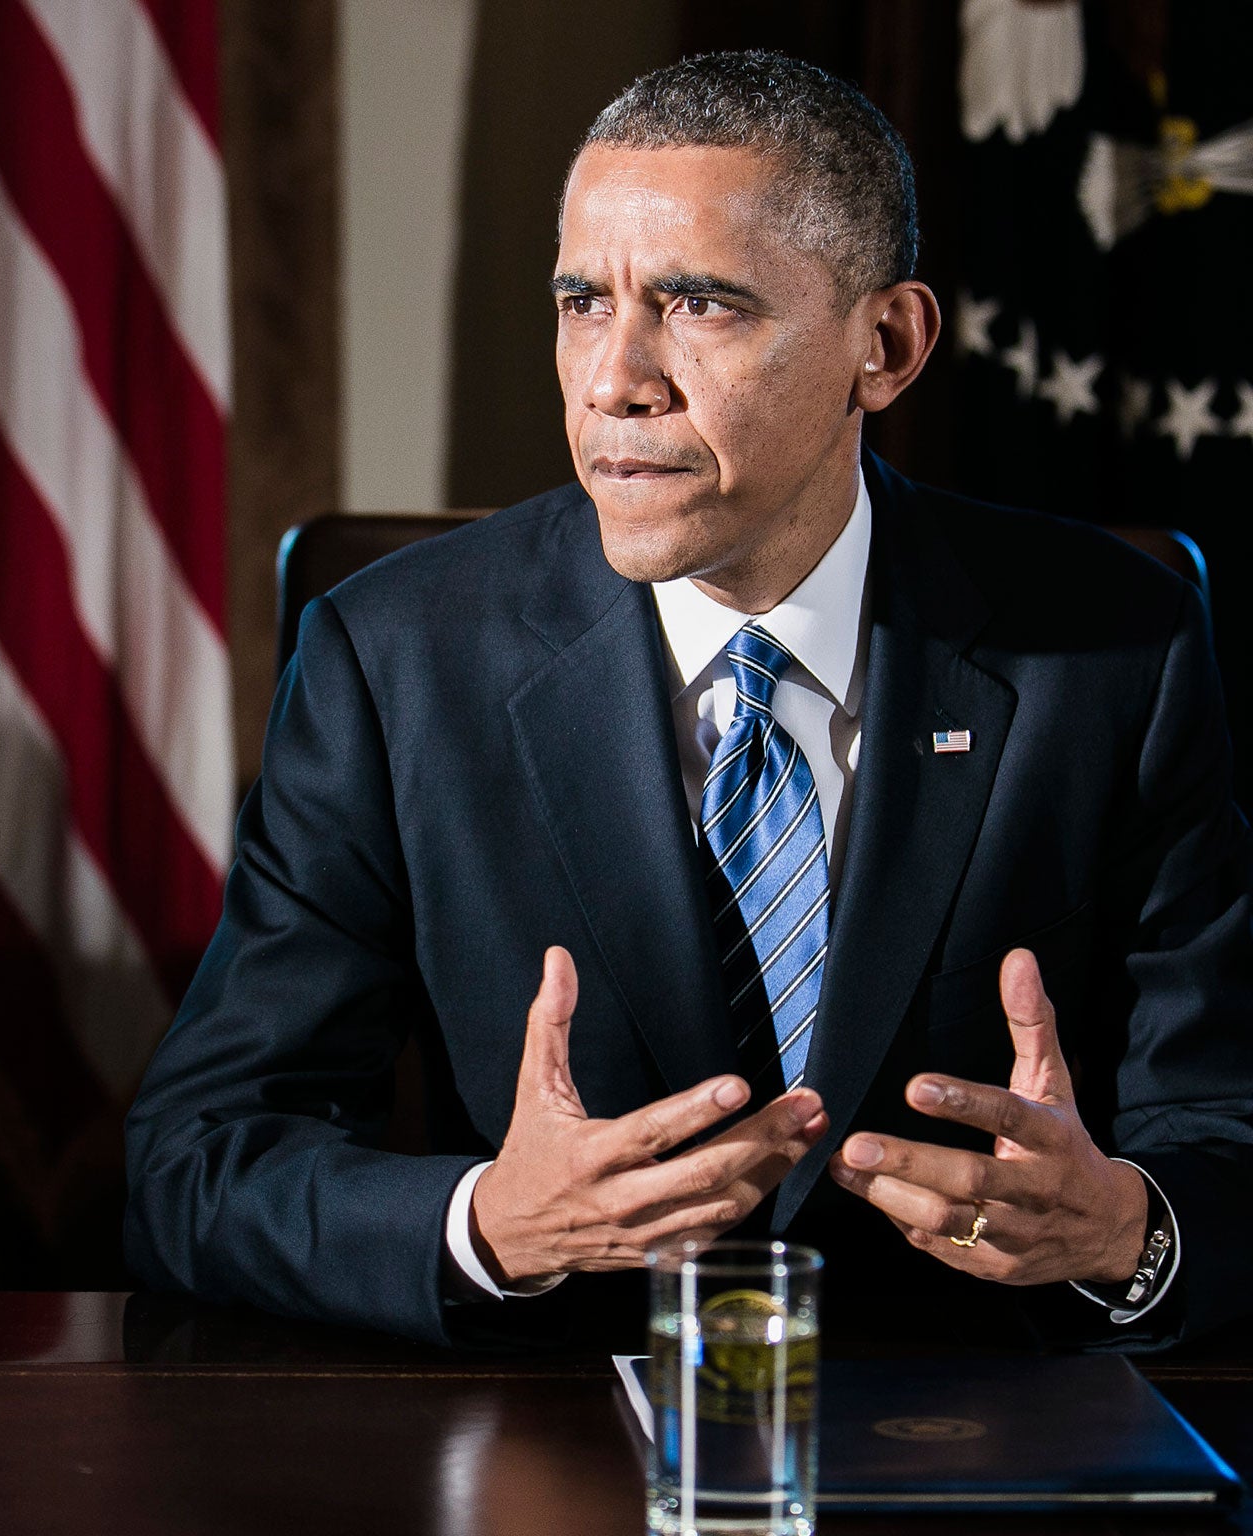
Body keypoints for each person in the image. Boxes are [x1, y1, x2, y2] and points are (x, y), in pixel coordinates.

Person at [125, 51, 1253, 1350]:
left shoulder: (1114, 645)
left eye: (698, 306)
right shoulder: (396, 661)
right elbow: (193, 1167)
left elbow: (1226, 1129)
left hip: (976, 1433)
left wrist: (1129, 1233)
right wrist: (491, 1226)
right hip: (556, 1449)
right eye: (580, 303)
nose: (615, 379)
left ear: (884, 347)